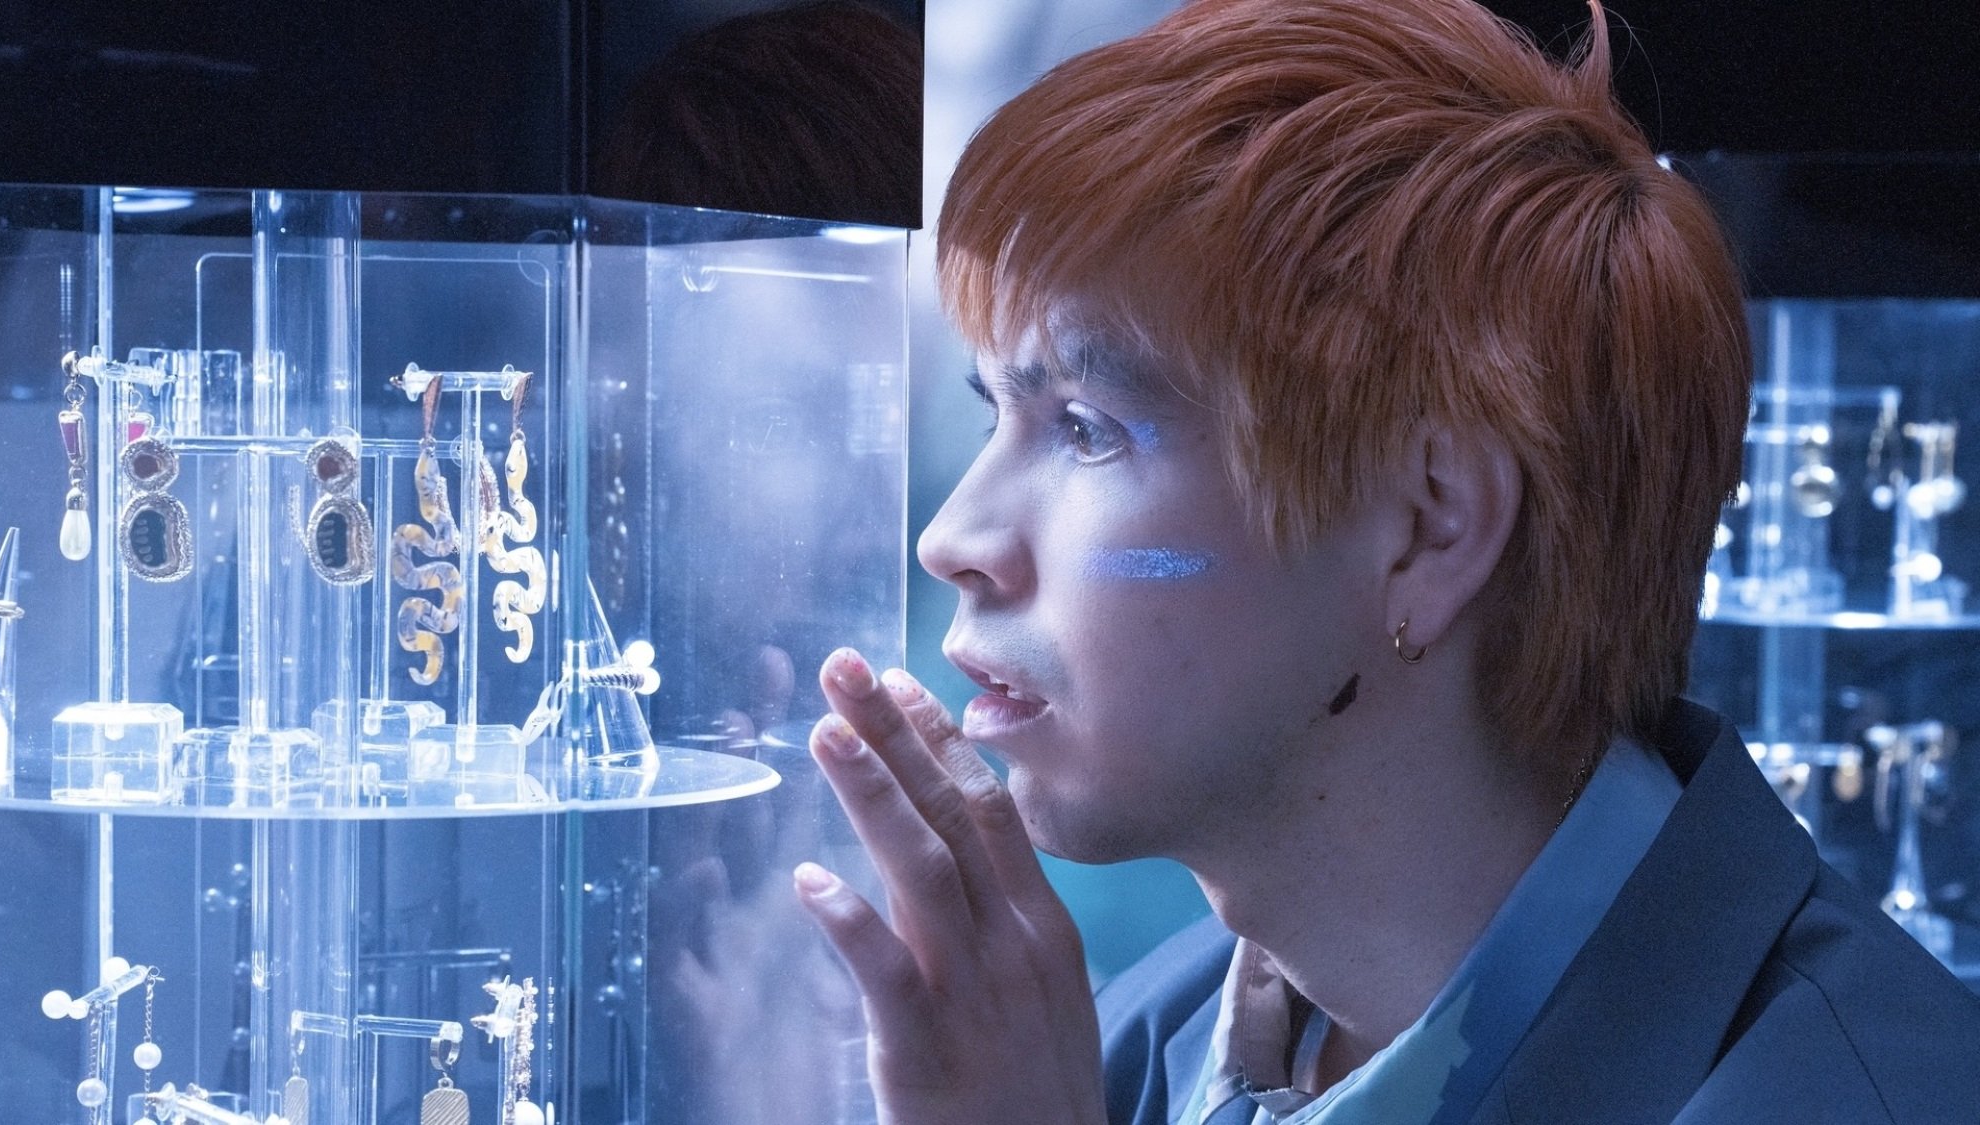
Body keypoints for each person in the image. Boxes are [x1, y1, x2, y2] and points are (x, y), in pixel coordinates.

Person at [789, 0, 1980, 1121]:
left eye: (1086, 428)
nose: (952, 540)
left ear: (1427, 527)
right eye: (993, 410)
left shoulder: (1858, 1093)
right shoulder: (1141, 1038)